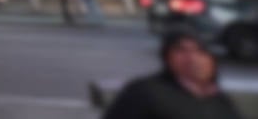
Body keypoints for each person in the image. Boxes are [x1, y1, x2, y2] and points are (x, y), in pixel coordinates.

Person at [103, 32, 243, 119]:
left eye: (200, 51)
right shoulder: (145, 92)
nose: (192, 58)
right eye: (181, 51)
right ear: (167, 58)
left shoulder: (217, 97)